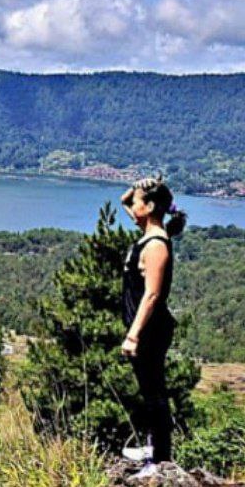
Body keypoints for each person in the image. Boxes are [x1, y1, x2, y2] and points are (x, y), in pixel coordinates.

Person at [118, 176, 186, 473]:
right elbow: (124, 201)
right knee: (148, 391)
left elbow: (153, 294)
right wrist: (137, 184)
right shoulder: (148, 234)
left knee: (155, 393)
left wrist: (133, 335)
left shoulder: (157, 244)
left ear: (150, 206)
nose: (132, 206)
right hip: (145, 329)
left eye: (137, 202)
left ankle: (159, 458)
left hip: (150, 330)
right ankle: (152, 449)